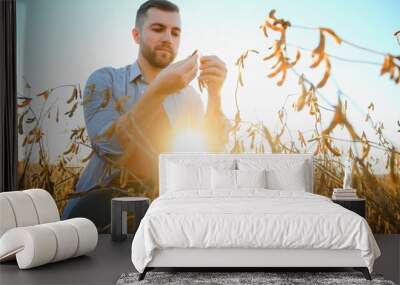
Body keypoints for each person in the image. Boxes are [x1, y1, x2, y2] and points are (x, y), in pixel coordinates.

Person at [61, 0, 230, 229]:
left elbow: (207, 158)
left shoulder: (189, 97)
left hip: (159, 219)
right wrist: (159, 90)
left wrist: (215, 94)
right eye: (158, 29)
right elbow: (108, 146)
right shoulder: (105, 80)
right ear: (136, 35)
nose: (168, 38)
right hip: (94, 217)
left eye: (175, 32)